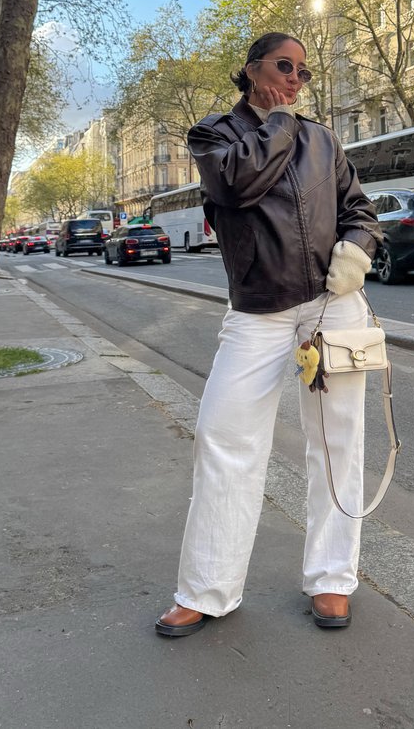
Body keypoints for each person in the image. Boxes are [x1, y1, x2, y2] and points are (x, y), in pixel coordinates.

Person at [156, 32, 381, 638]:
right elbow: (237, 185)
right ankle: (207, 588)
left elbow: (359, 210)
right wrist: (280, 121)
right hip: (259, 307)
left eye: (304, 72)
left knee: (338, 440)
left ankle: (333, 578)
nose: (295, 79)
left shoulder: (323, 140)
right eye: (286, 66)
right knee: (224, 435)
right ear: (253, 69)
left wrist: (357, 250)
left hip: (332, 306)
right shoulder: (214, 135)